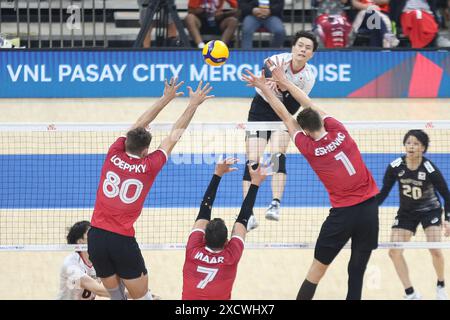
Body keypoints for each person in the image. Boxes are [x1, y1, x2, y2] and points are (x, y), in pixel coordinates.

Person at [242, 59, 379, 300]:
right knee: (357, 270)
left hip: (343, 214)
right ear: (322, 121)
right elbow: (309, 103)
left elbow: (285, 116)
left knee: (316, 271)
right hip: (370, 208)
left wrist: (265, 88)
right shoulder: (339, 130)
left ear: (305, 132)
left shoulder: (308, 147)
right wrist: (285, 82)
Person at [88, 78, 214, 300]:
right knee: (144, 297)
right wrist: (193, 104)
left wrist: (165, 98)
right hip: (121, 241)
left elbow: (139, 122)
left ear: (126, 142)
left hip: (96, 237)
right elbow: (175, 134)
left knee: (117, 297)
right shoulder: (149, 165)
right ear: (146, 151)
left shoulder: (114, 152)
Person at [243, 31, 317, 229]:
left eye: (308, 47)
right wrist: (272, 84)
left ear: (312, 54)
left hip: (284, 113)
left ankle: (275, 204)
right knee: (253, 158)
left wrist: (282, 87)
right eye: (300, 45)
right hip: (260, 110)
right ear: (293, 47)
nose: (303, 49)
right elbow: (266, 70)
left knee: (278, 154)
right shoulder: (276, 60)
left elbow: (295, 102)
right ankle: (247, 212)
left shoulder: (309, 76)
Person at [377, 130, 450, 300]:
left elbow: (447, 195)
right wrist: (367, 208)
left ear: (423, 148)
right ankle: (410, 293)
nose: (411, 146)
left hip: (430, 210)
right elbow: (383, 193)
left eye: (416, 143)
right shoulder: (396, 166)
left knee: (435, 249)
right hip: (407, 212)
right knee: (394, 251)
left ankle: (440, 285)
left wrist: (447, 219)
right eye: (409, 142)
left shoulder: (429, 168)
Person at [182, 158, 269, 299]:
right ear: (226, 242)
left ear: (203, 238)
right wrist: (255, 183)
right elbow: (243, 220)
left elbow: (204, 211)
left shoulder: (192, 250)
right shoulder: (230, 257)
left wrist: (218, 173)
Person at [57, 221, 110, 300]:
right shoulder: (71, 264)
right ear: (80, 241)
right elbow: (99, 291)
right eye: (90, 232)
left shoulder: (100, 262)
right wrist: (131, 293)